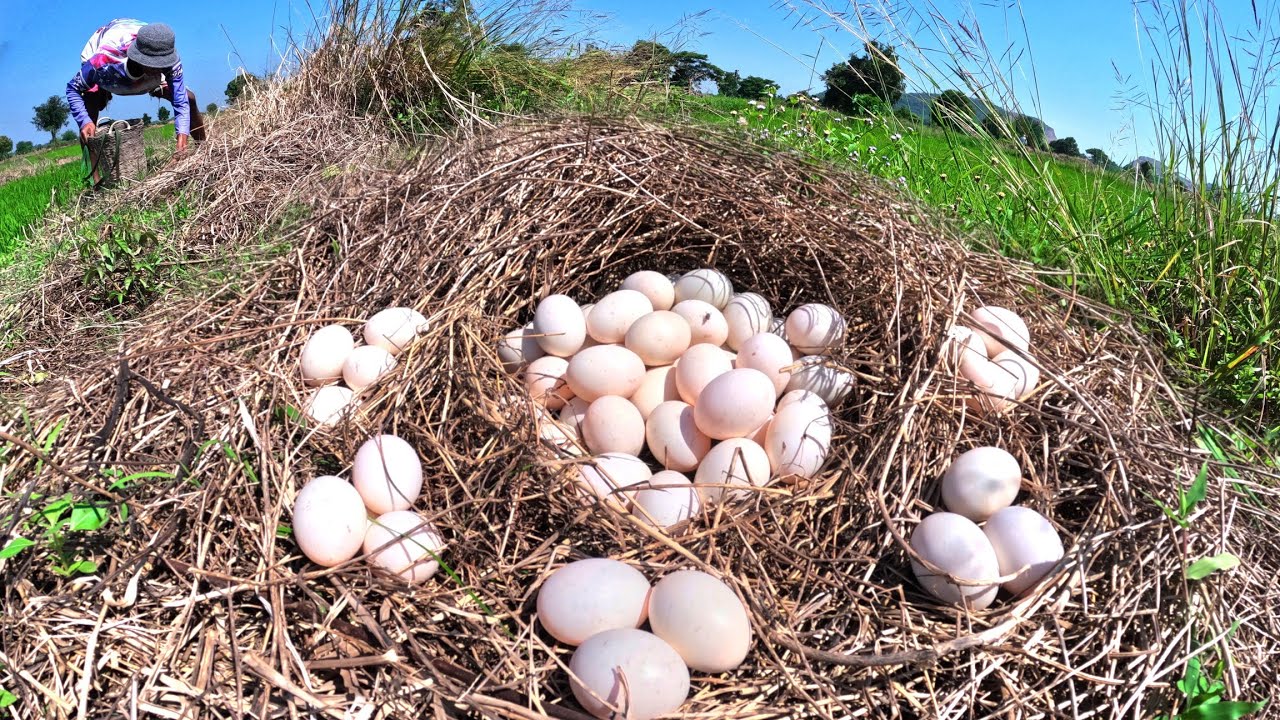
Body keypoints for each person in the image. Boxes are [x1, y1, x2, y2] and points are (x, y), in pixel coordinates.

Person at [66, 19, 206, 175]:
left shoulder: (168, 57)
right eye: (155, 64)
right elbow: (73, 88)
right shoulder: (103, 62)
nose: (162, 68)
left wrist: (182, 142)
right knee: (89, 113)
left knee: (190, 99)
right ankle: (95, 179)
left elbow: (181, 103)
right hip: (109, 63)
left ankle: (205, 152)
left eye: (163, 64)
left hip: (138, 51)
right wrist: (84, 121)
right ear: (140, 58)